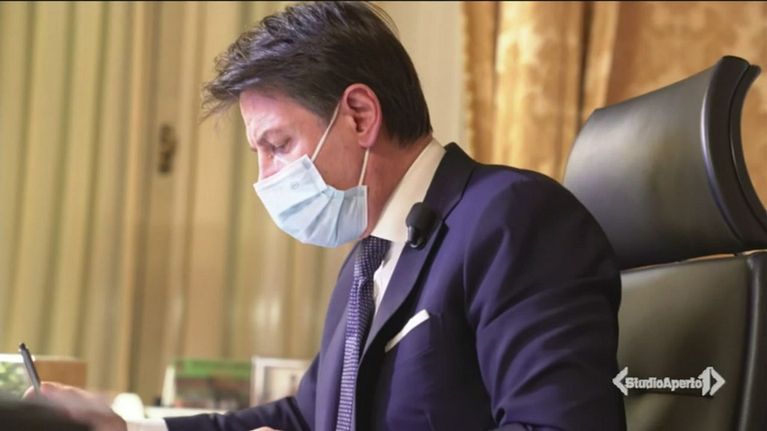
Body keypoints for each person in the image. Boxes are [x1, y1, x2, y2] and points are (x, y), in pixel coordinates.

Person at [29, 2, 626, 430]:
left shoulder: (512, 219)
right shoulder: (367, 263)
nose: (265, 178)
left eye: (278, 145)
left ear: (360, 115)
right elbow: (307, 415)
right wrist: (129, 427)